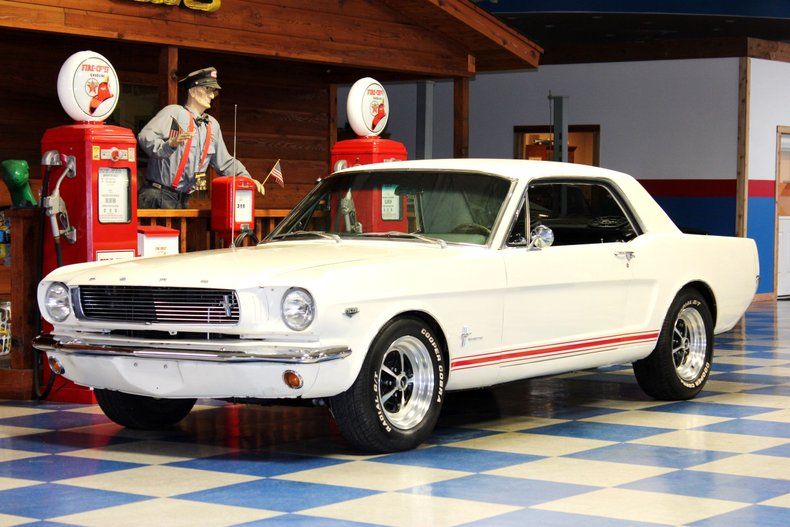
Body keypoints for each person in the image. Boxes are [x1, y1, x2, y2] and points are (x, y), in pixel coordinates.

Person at [138, 67, 249, 208]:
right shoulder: (173, 113)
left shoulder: (212, 125)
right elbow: (145, 137)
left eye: (213, 92)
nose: (212, 96)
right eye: (208, 90)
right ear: (193, 91)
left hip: (183, 200)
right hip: (157, 196)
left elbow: (224, 162)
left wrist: (246, 178)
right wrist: (168, 145)